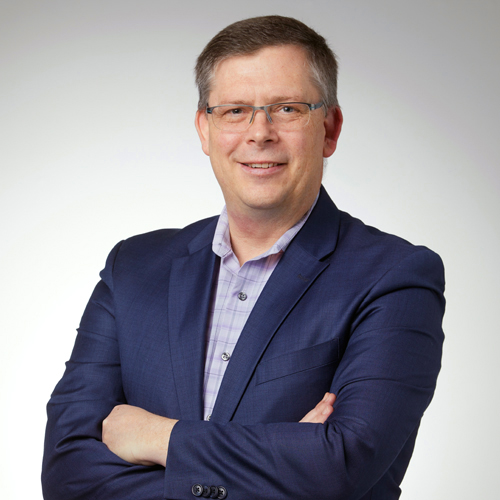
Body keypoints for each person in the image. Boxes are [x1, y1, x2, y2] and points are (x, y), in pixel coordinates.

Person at [42, 15, 445, 500]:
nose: (260, 133)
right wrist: (285, 462)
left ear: (329, 128)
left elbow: (342, 465)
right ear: (205, 129)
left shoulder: (395, 277)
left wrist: (158, 438)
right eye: (235, 111)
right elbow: (66, 472)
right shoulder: (133, 267)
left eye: (287, 108)